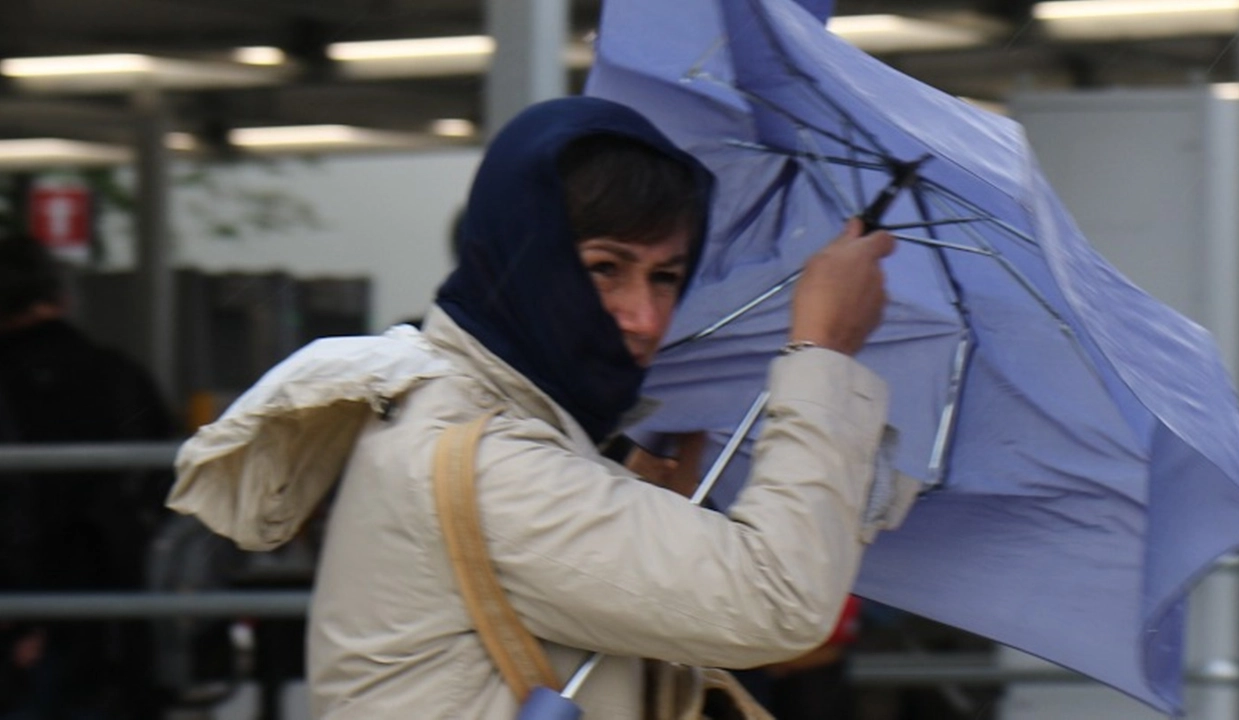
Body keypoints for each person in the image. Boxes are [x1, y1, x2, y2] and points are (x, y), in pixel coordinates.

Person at [170, 95, 895, 719]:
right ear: (527, 252)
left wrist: (636, 502)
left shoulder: (462, 415)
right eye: (605, 269)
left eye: (666, 275)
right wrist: (823, 355)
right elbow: (776, 602)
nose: (643, 316)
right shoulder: (486, 458)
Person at [0, 234, 175, 720]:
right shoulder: (118, 374)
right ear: (62, 297)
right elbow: (168, 487)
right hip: (118, 614)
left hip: (24, 619)